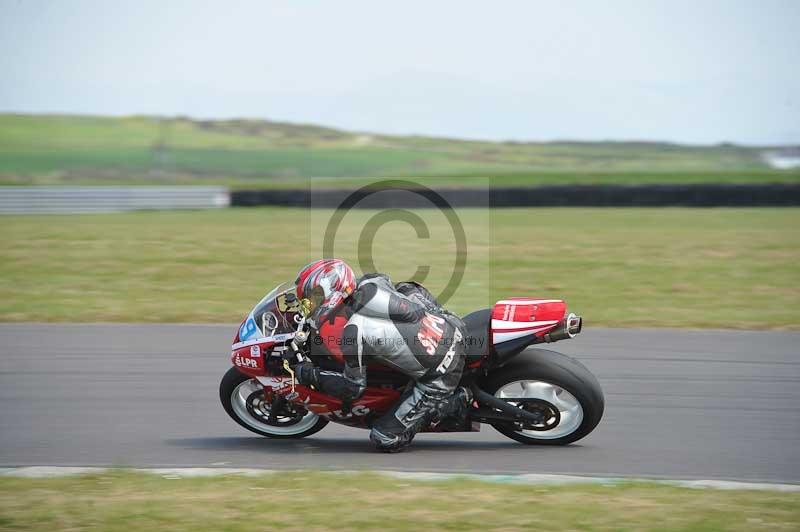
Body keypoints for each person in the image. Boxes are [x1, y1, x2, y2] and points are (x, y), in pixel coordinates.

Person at [291, 258, 471, 452]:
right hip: (448, 323)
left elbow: (352, 388)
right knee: (406, 287)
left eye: (315, 296)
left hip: (442, 372)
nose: (310, 304)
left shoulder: (353, 331)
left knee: (384, 439)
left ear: (332, 292)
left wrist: (308, 374)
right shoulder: (371, 282)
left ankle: (456, 401)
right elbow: (408, 308)